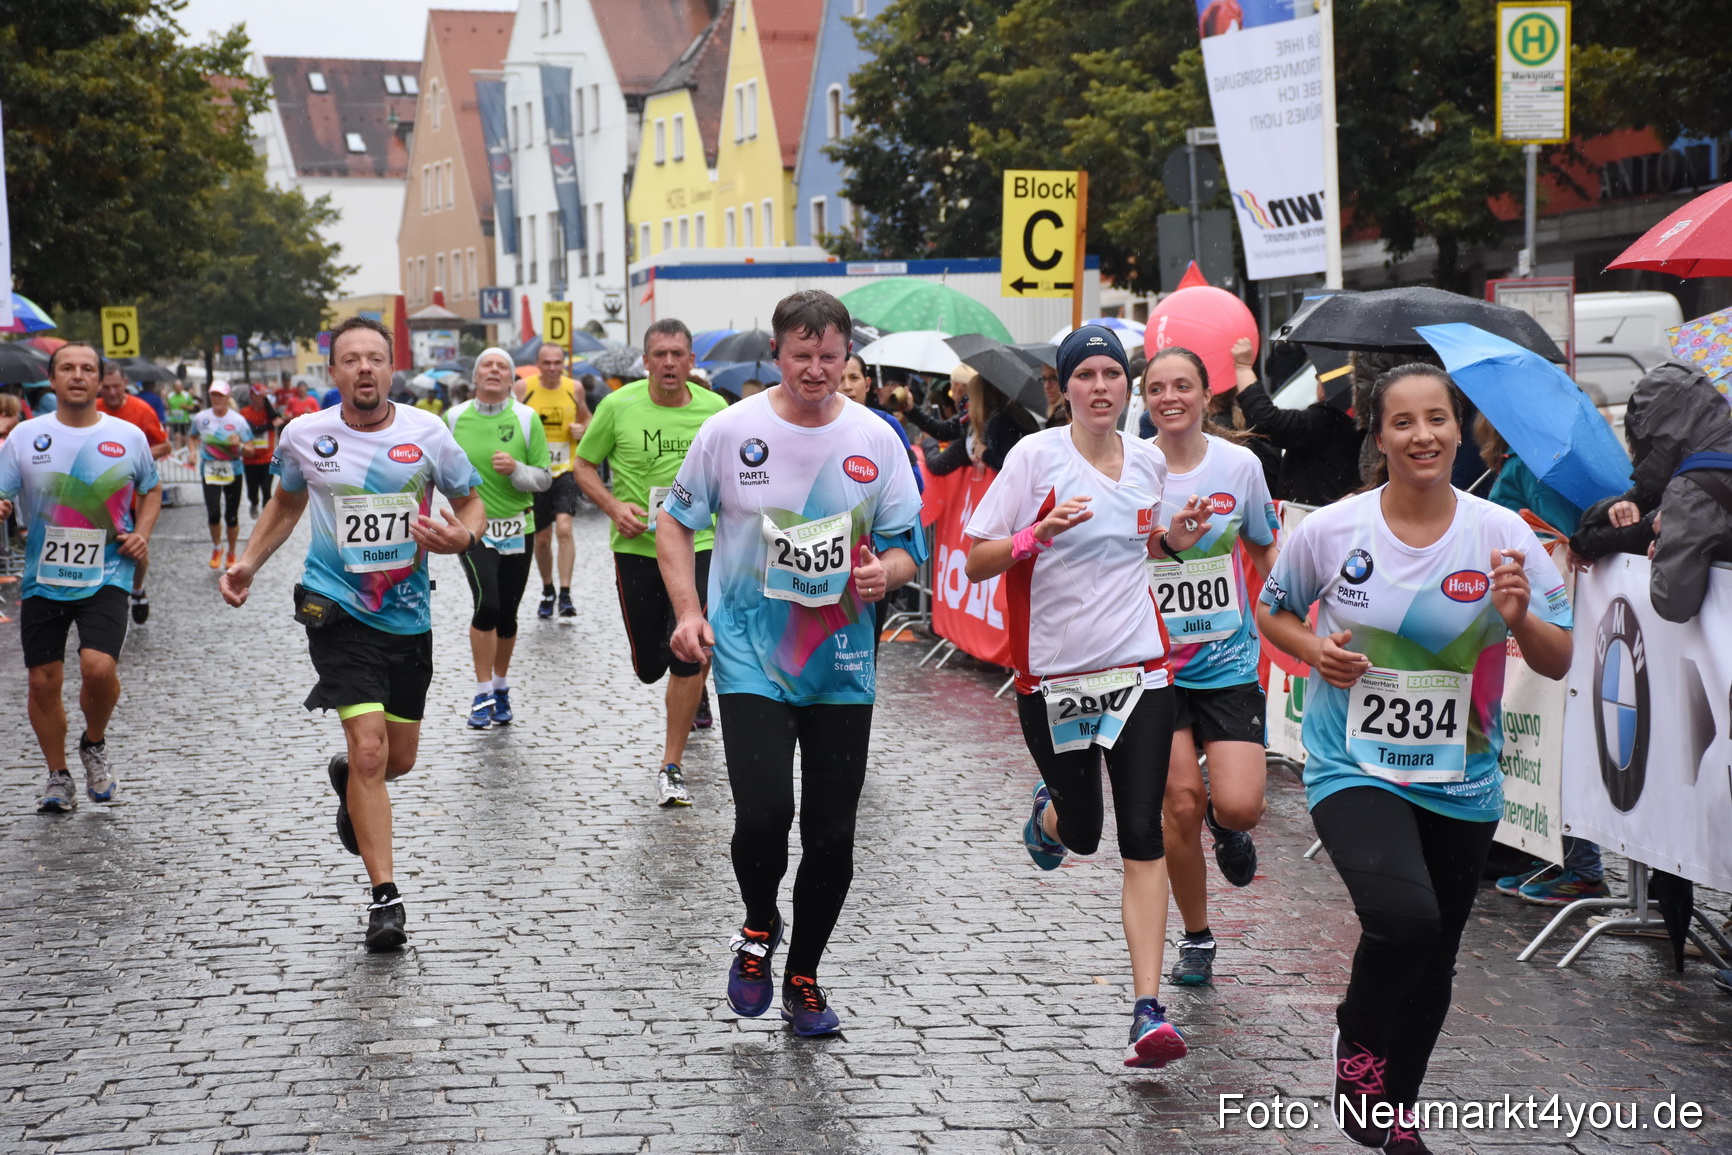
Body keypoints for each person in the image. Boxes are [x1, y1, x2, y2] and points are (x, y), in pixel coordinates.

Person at [1256, 363, 1572, 1152]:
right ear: (1380, 432)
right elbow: (1275, 612)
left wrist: (1520, 618)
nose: (1423, 435)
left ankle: (1396, 1108)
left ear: (1458, 428)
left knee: (1437, 953)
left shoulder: (1503, 534)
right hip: (1351, 762)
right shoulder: (1333, 529)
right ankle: (1357, 1038)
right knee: (1404, 919)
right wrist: (1313, 651)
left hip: (1462, 777)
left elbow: (1560, 657)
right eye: (1404, 422)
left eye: (1437, 419)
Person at [658, 290, 925, 1036]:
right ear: (777, 355)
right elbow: (674, 524)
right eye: (801, 356)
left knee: (833, 832)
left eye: (829, 357)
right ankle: (755, 927)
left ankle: (804, 973)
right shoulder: (729, 430)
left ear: (848, 359)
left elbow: (909, 544)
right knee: (768, 810)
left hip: (842, 662)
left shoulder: (876, 438)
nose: (815, 370)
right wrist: (688, 612)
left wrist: (886, 574)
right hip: (749, 657)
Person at [962, 325, 1212, 1069]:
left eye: (1112, 374)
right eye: (1086, 375)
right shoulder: (1034, 458)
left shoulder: (1147, 461)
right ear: (1062, 387)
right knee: (1083, 833)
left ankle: (1146, 1011)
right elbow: (978, 559)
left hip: (1139, 669)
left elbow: (1138, 541)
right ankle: (1049, 811)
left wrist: (1173, 539)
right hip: (1055, 679)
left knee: (1143, 830)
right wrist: (1035, 534)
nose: (1101, 386)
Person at [219, 316, 483, 952]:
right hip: (335, 609)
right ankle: (385, 899)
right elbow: (285, 504)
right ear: (332, 371)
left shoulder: (428, 432)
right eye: (351, 359)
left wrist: (461, 535)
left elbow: (471, 499)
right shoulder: (305, 435)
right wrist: (248, 562)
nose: (364, 368)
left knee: (397, 759)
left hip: (409, 615)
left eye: (375, 358)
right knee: (369, 750)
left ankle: (352, 784)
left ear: (391, 369)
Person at [1141, 347, 1280, 989]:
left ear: (1205, 395)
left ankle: (1229, 829)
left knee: (1241, 804)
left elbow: (1260, 542)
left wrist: (1295, 600)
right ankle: (1197, 938)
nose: (1170, 398)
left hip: (1226, 662)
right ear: (1145, 399)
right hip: (1155, 666)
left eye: (1183, 386)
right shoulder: (1129, 467)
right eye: (1157, 388)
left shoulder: (1240, 466)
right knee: (1179, 803)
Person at [0, 343, 161, 812]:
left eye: (87, 369)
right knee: (43, 679)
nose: (77, 375)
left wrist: (142, 534)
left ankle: (93, 742)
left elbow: (151, 491)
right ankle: (58, 775)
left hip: (107, 570)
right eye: (67, 368)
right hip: (43, 576)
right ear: (51, 381)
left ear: (99, 381)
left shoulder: (128, 435)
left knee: (99, 667)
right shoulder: (26, 436)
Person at [573, 319, 728, 804]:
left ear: (691, 362)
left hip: (698, 544)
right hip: (637, 549)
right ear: (645, 361)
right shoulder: (617, 407)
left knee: (687, 648)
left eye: (677, 354)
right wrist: (614, 507)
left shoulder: (716, 410)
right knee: (649, 664)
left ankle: (671, 764)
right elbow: (582, 464)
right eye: (659, 354)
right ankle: (686, 670)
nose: (668, 363)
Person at [446, 348, 551, 729]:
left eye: (501, 366)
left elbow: (544, 479)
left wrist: (517, 469)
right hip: (474, 530)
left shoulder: (526, 419)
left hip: (517, 527)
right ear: (475, 378)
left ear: (511, 380)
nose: (493, 370)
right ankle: (481, 691)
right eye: (486, 365)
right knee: (486, 604)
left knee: (507, 613)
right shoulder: (453, 418)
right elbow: (435, 469)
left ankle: (501, 686)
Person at [1232, 338, 1362, 506]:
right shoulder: (1367, 419)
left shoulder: (1328, 419)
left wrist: (1243, 368)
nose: (1318, 382)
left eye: (1319, 376)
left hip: (1315, 520)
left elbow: (1267, 422)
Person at [96, 366, 172, 624]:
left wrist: (131, 460)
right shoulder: (91, 410)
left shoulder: (141, 410)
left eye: (116, 386)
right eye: (106, 387)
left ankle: (137, 590)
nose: (112, 392)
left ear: (125, 383)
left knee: (136, 548)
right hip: (100, 497)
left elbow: (165, 444)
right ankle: (100, 596)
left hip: (134, 496)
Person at [523, 342, 593, 619]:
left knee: (564, 528)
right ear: (538, 364)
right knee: (541, 538)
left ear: (563, 364)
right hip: (536, 471)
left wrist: (582, 429)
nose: (552, 368)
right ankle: (547, 589)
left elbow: (588, 418)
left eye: (557, 363)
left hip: (565, 469)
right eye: (546, 363)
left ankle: (565, 593)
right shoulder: (523, 388)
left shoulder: (574, 388)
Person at [191, 382, 253, 570]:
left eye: (220, 395)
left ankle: (232, 552)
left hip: (232, 471)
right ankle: (217, 547)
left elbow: (251, 450)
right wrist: (192, 451)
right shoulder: (201, 418)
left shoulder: (238, 421)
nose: (217, 399)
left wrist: (240, 446)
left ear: (228, 398)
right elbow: (192, 436)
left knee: (231, 516)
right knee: (213, 513)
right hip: (210, 471)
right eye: (213, 395)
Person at [237, 384, 283, 517]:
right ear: (251, 396)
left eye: (264, 396)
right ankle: (254, 502)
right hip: (250, 458)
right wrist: (270, 426)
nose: (261, 399)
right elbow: (253, 429)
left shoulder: (270, 412)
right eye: (259, 396)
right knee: (252, 490)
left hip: (267, 458)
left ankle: (266, 516)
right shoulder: (245, 412)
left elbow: (279, 421)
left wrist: (267, 402)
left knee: (266, 489)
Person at [165, 378, 197, 452]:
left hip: (184, 420)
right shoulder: (170, 395)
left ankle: (183, 449)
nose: (178, 389)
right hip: (174, 420)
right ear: (174, 387)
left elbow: (192, 407)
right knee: (177, 436)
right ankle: (177, 452)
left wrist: (185, 407)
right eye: (176, 387)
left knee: (183, 437)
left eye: (179, 387)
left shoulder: (186, 395)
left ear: (181, 387)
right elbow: (168, 406)